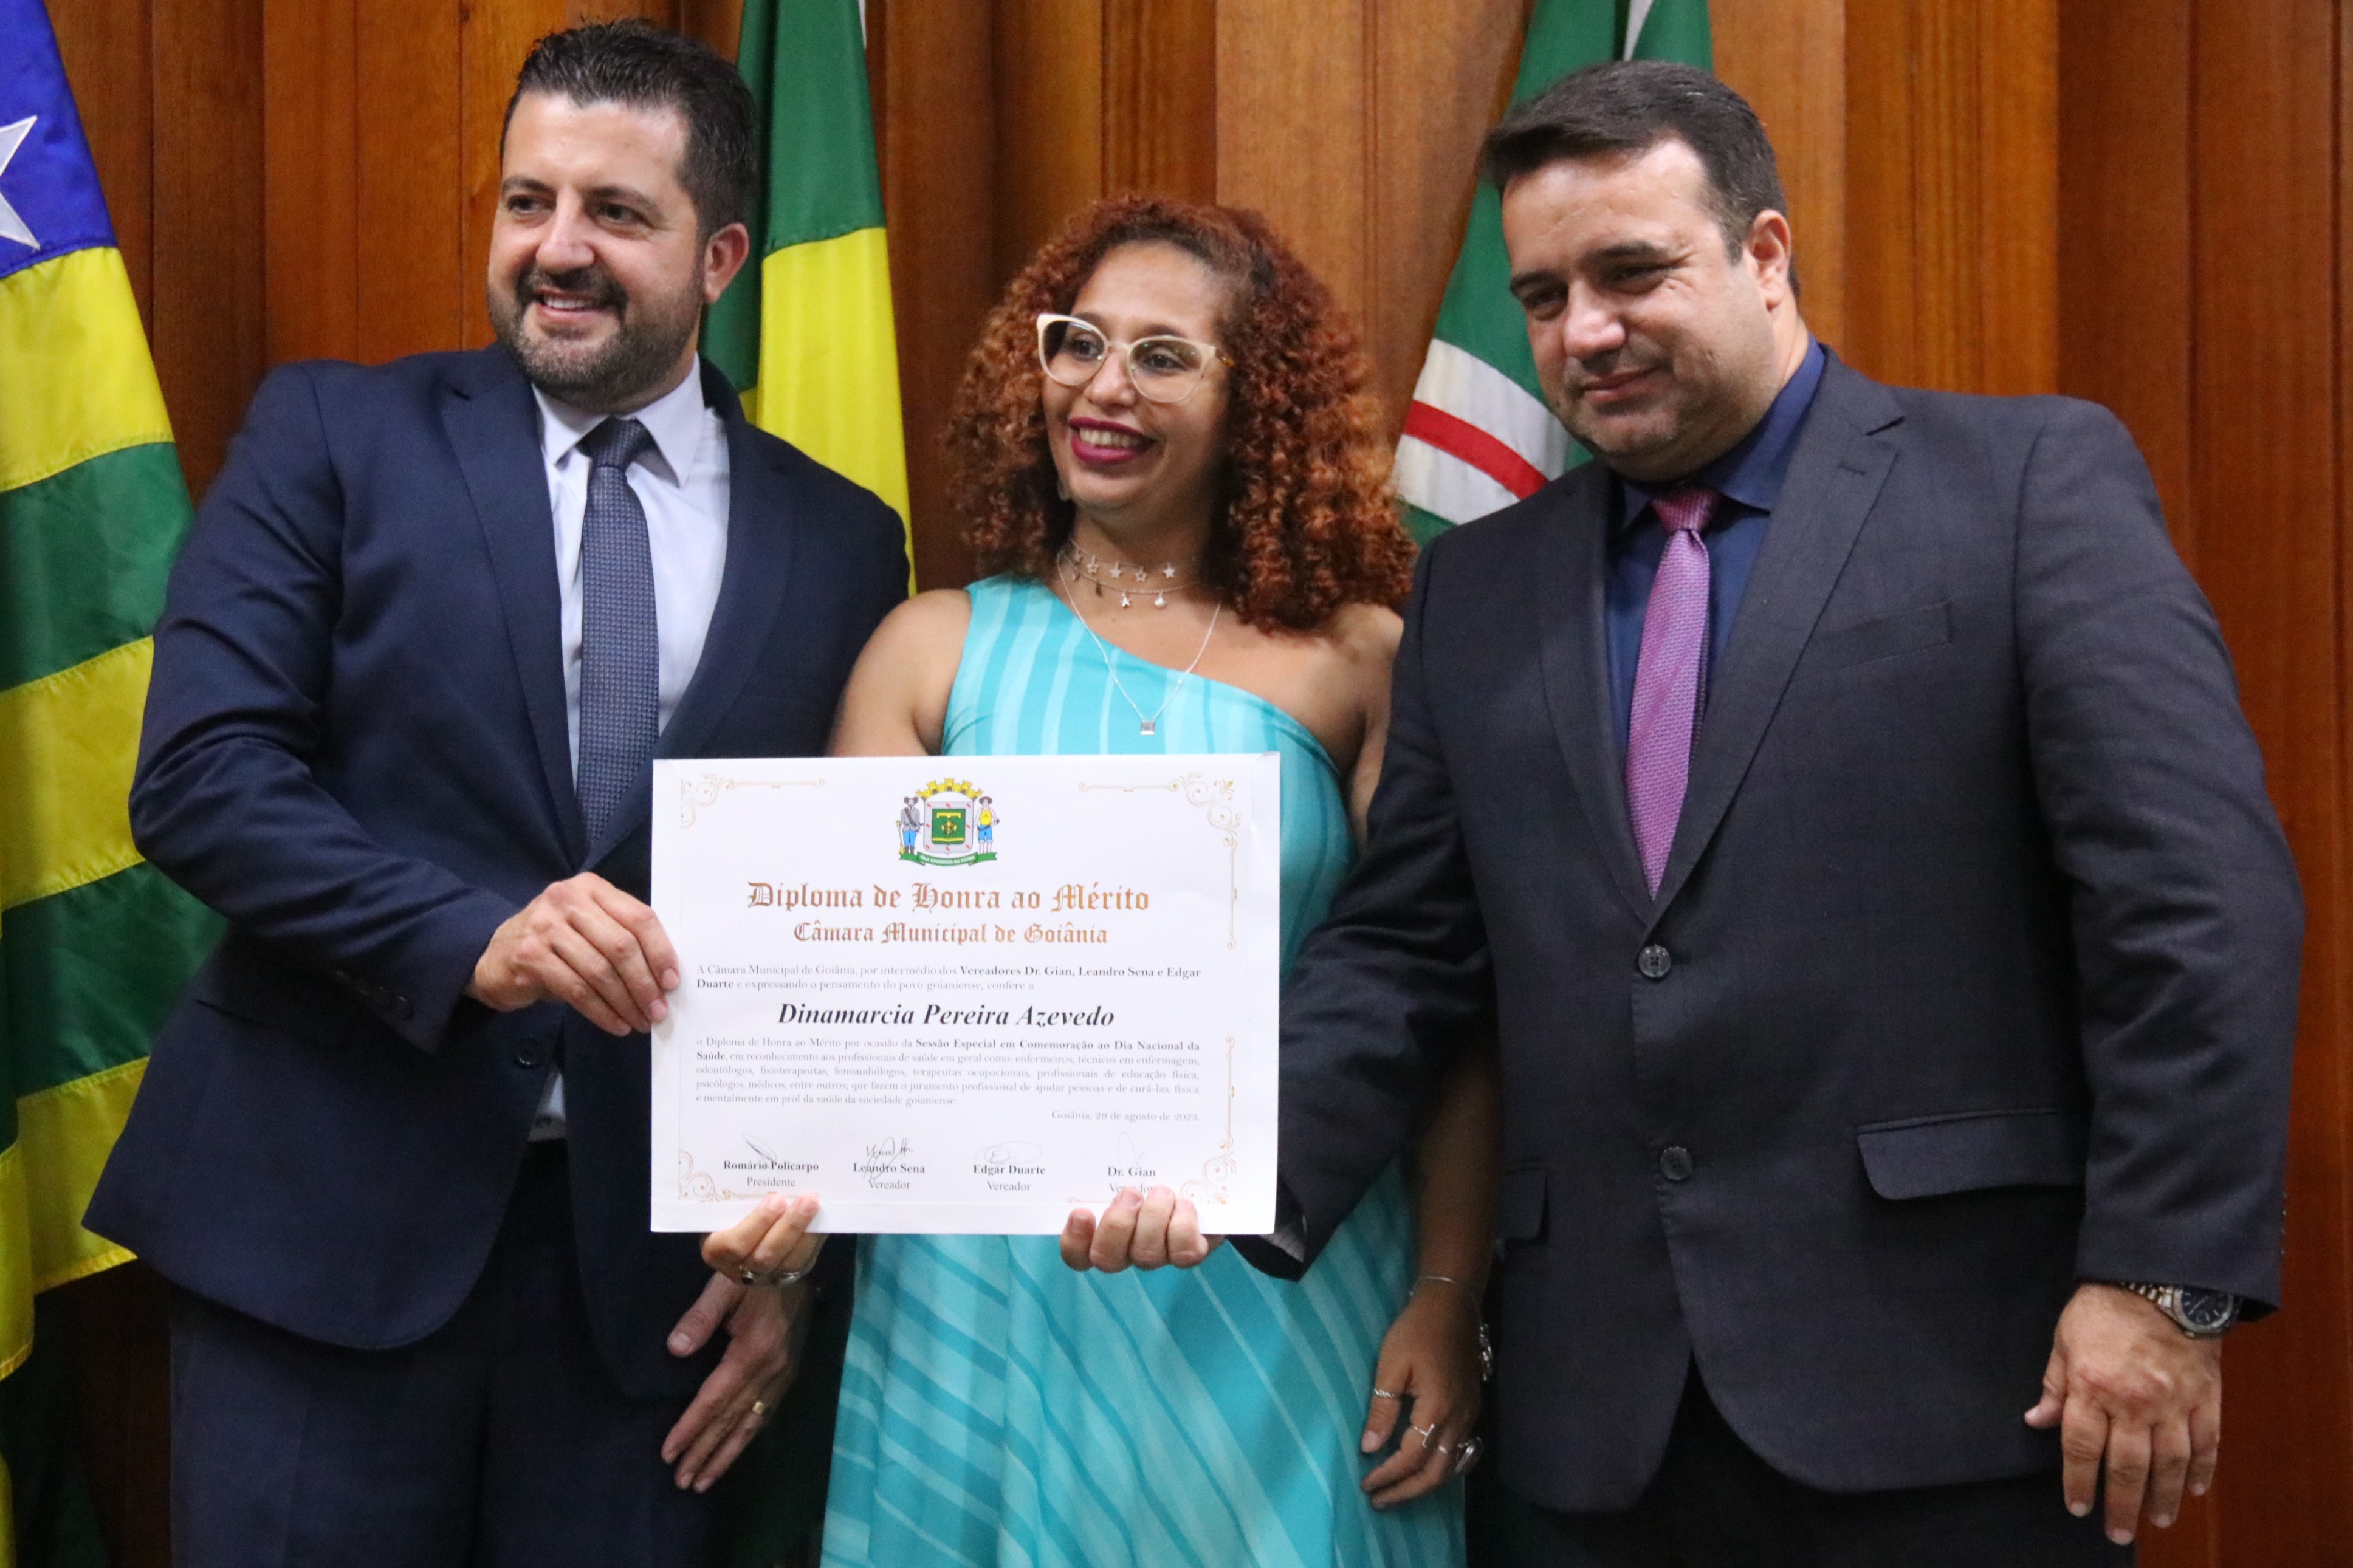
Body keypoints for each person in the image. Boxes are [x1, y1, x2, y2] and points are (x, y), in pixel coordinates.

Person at [1068, 61, 2304, 1567]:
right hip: (1602, 1423)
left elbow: (2194, 902)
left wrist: (2161, 1282)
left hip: (1963, 1392)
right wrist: (1211, 1162)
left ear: (1764, 254)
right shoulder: (1479, 586)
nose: (1581, 331)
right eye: (1541, 296)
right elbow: (1405, 951)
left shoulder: (2021, 485)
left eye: (1630, 272)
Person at [84, 21, 905, 1566]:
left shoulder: (845, 541)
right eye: (529, 201)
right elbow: (202, 778)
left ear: (721, 255)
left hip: (650, 1299)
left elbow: (846, 919)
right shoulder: (332, 435)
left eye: (617, 212)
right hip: (320, 1241)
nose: (557, 249)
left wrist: (795, 1257)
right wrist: (476, 936)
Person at [708, 195, 1499, 1566]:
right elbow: (833, 1001)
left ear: (1256, 401)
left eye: (1162, 355)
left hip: (1280, 1287)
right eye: (1077, 342)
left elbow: (1440, 1003)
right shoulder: (930, 647)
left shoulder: (1359, 656)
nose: (1102, 386)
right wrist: (776, 1213)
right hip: (980, 1296)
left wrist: (1447, 1288)